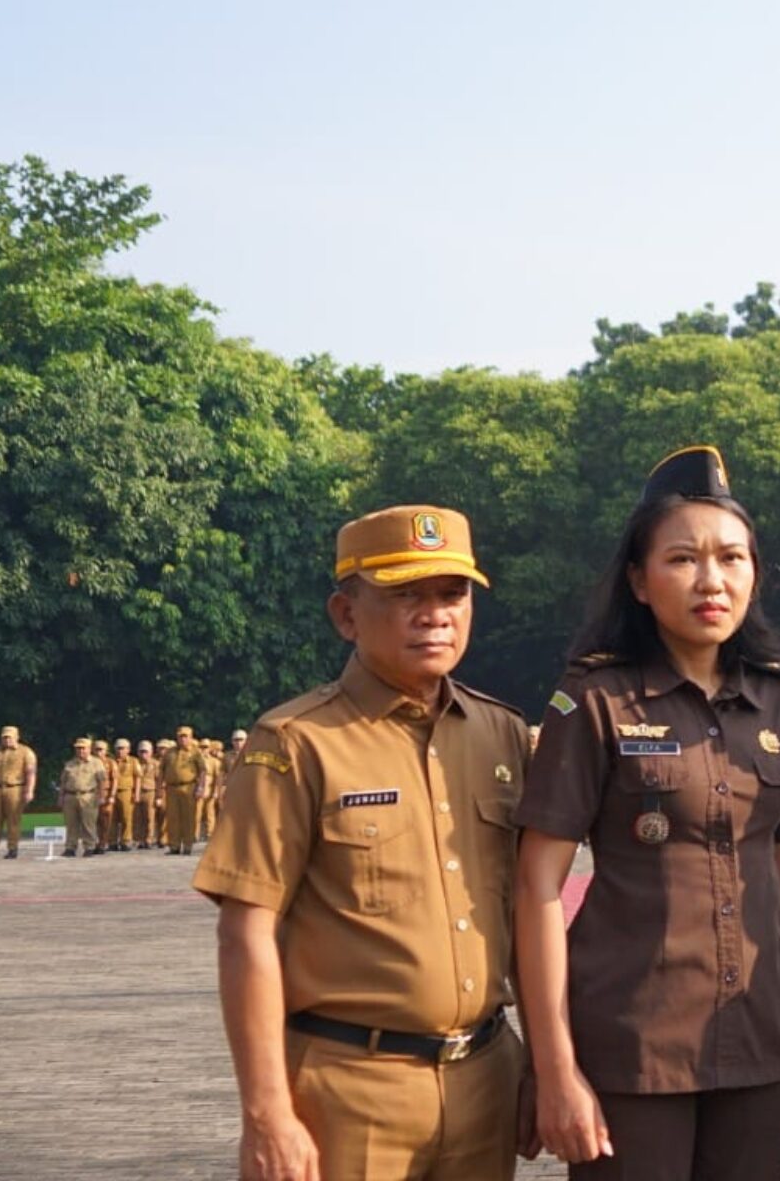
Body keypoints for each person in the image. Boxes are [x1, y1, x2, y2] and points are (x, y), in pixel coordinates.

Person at [516, 446, 780, 1179]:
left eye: (732, 558)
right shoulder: (595, 700)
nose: (711, 580)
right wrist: (555, 1063)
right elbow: (536, 886)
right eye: (683, 559)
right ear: (637, 579)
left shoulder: (777, 699)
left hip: (758, 1044)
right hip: (633, 1050)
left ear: (755, 572)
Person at [192, 504, 535, 1181]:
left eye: (452, 593)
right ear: (346, 615)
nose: (435, 614)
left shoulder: (500, 734)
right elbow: (246, 935)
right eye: (405, 594)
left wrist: (543, 1065)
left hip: (486, 1075)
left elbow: (523, 911)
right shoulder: (297, 742)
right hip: (350, 1089)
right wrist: (266, 1114)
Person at [0, 727, 35, 859]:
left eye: (10, 737)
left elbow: (30, 773)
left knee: (13, 820)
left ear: (17, 737)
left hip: (15, 789)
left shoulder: (25, 752)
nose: (7, 740)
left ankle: (12, 849)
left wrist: (29, 790)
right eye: (4, 737)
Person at [161, 725, 211, 855]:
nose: (182, 739)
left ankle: (188, 845)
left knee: (188, 817)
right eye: (180, 736)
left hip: (188, 787)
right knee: (172, 817)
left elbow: (203, 771)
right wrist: (159, 790)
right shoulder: (169, 752)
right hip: (171, 788)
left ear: (191, 737)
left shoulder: (195, 752)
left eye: (185, 736)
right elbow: (161, 770)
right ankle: (174, 845)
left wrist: (200, 787)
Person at [59, 737, 108, 858]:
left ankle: (89, 847)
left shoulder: (96, 763)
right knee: (71, 824)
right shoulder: (70, 763)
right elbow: (63, 782)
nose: (80, 750)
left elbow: (102, 781)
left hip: (88, 796)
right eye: (78, 748)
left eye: (83, 748)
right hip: (70, 796)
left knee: (88, 823)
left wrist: (102, 796)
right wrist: (61, 797)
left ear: (89, 749)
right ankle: (70, 847)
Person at [132, 739, 160, 849]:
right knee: (138, 817)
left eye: (146, 751)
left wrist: (159, 796)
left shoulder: (156, 764)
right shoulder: (135, 763)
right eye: (141, 751)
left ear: (151, 752)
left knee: (150, 817)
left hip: (150, 792)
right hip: (137, 792)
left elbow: (159, 781)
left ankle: (149, 839)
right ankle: (139, 839)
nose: (143, 754)